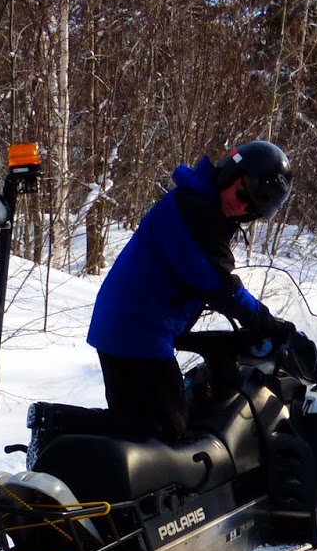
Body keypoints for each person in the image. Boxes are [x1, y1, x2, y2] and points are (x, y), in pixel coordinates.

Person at [86, 141, 298, 445]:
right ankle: (59, 428)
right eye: (243, 195)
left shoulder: (199, 204)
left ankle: (66, 442)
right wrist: (265, 321)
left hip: (131, 327)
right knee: (163, 433)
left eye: (253, 210)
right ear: (231, 173)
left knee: (138, 427)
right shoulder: (194, 210)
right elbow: (219, 285)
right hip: (137, 332)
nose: (242, 208)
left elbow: (193, 281)